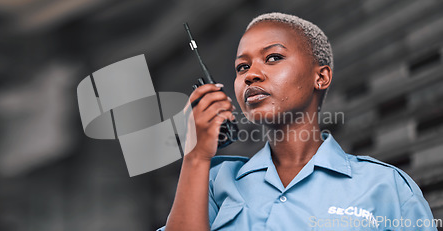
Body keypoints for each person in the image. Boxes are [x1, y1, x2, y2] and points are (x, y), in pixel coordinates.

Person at [158, 12, 436, 231]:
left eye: (273, 57)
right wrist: (195, 156)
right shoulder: (212, 183)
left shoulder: (387, 187)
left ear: (321, 77)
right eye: (242, 67)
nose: (250, 75)